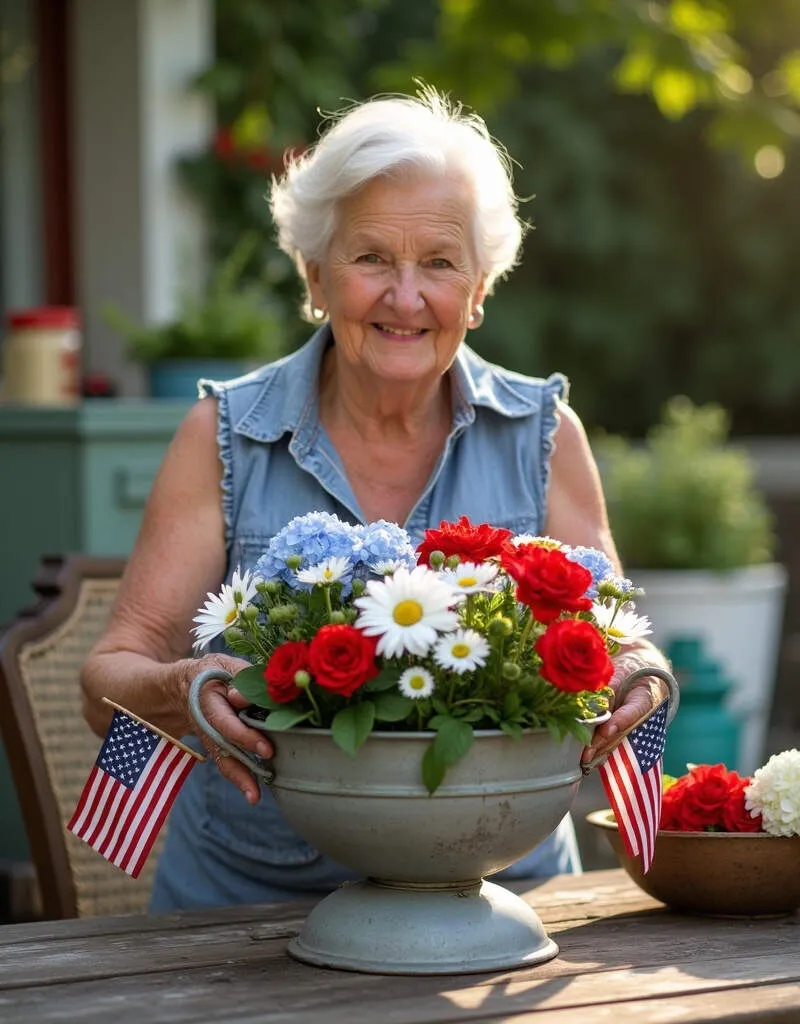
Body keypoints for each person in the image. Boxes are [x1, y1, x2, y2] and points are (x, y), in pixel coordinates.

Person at [81, 89, 671, 911]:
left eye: (438, 261)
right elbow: (106, 679)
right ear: (315, 275)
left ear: (480, 288)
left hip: (501, 895)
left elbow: (623, 643)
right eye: (370, 259)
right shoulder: (221, 433)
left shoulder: (544, 434)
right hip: (255, 911)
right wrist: (187, 683)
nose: (405, 297)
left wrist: (643, 680)